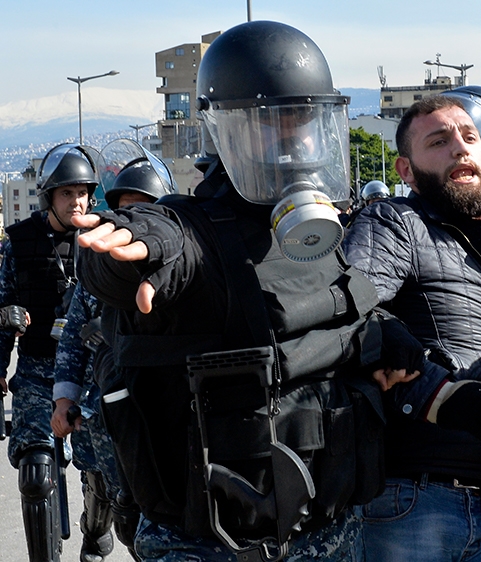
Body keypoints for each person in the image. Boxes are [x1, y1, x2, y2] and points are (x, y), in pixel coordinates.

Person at [71, 20, 423, 562]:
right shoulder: (189, 229)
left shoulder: (320, 234)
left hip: (330, 536)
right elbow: (150, 248)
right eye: (270, 122)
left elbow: (351, 320)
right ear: (226, 132)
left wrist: (388, 340)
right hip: (208, 545)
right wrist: (127, 253)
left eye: (303, 119)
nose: (293, 138)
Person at [343, 95, 481, 562]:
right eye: (439, 141)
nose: (460, 148)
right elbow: (352, 308)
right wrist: (438, 394)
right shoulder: (395, 222)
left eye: (470, 138)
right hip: (413, 498)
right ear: (406, 171)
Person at [50, 142, 177, 561]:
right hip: (101, 413)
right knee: (107, 503)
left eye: (146, 208)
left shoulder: (183, 271)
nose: (136, 219)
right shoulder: (99, 272)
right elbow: (71, 340)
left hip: (162, 416)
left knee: (153, 522)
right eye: (127, 209)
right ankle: (93, 530)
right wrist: (65, 396)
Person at [0, 142, 99, 562]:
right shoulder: (18, 244)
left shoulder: (103, 239)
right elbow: (2, 310)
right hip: (39, 372)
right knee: (36, 475)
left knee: (107, 481)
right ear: (48, 197)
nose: (77, 202)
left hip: (95, 374)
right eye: (67, 193)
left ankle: (96, 534)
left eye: (82, 193)